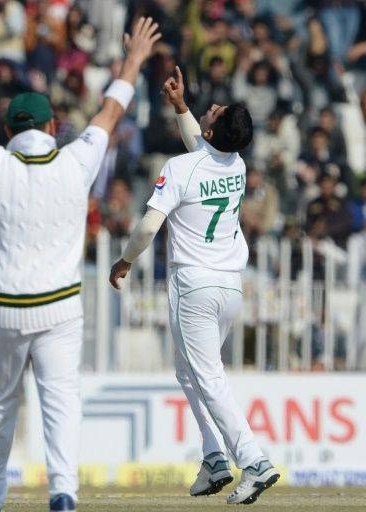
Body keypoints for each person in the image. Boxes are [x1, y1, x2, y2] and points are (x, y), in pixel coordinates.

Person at [0, 18, 161, 512]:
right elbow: (110, 109)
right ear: (52, 127)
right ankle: (63, 493)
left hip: (4, 309)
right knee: (62, 403)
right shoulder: (78, 160)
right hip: (60, 308)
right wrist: (134, 60)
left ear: (9, 130)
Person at [108, 66, 280, 505]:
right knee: (189, 373)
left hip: (195, 286)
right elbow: (199, 153)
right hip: (230, 287)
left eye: (216, 110)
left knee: (207, 376)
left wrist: (125, 261)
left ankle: (254, 461)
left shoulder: (181, 165)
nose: (213, 107)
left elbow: (149, 224)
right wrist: (181, 106)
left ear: (213, 128)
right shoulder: (235, 164)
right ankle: (214, 457)